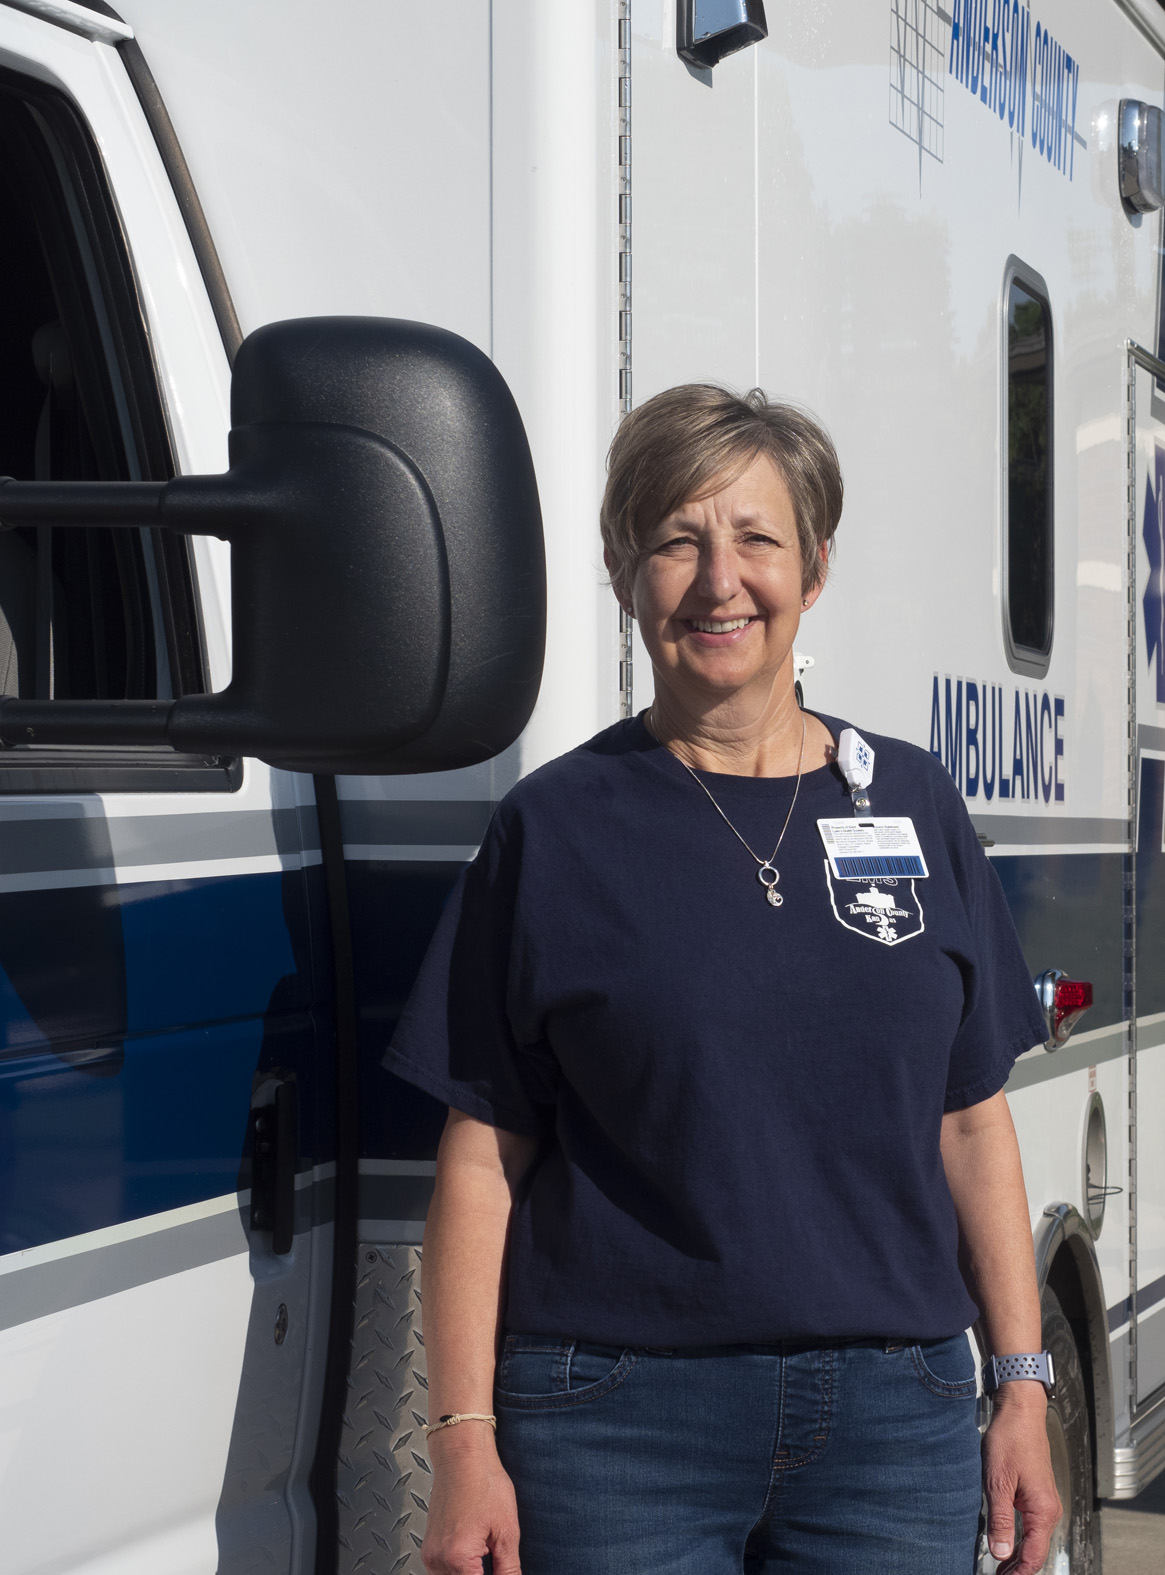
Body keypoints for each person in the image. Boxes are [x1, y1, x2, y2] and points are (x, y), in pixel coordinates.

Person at [385, 383, 1062, 1575]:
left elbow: (971, 1123)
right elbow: (484, 1157)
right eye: (676, 543)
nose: (718, 582)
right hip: (613, 1425)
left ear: (814, 565)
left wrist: (1020, 1388)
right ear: (623, 571)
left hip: (894, 1422)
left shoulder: (912, 802)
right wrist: (460, 1442)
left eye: (756, 539)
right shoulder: (554, 832)